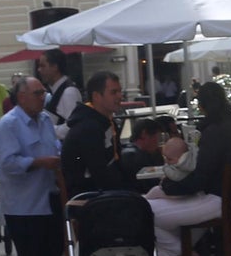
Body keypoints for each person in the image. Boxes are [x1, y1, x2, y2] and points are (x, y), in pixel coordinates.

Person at [143, 80, 231, 256]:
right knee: (158, 212)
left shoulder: (214, 131)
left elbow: (200, 179)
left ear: (201, 106)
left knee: (143, 211)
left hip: (221, 199)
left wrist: (168, 187)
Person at [0, 76, 65, 256]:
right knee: (30, 255)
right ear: (22, 96)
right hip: (22, 203)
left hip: (47, 197)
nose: (42, 97)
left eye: (43, 92)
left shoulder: (45, 119)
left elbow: (53, 145)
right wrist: (37, 163)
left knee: (55, 247)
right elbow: (7, 163)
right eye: (37, 93)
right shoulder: (9, 125)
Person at [61, 70, 132, 198]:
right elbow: (99, 173)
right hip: (89, 200)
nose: (119, 96)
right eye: (113, 92)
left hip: (106, 194)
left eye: (120, 91)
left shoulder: (107, 123)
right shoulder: (88, 128)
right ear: (96, 96)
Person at [36, 48, 80, 141]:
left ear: (55, 67)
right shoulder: (54, 90)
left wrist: (45, 129)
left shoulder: (69, 92)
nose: (39, 70)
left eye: (43, 66)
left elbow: (73, 127)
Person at [119, 117, 165, 192]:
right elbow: (152, 185)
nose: (158, 142)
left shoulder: (129, 151)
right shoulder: (135, 157)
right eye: (157, 137)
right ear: (144, 134)